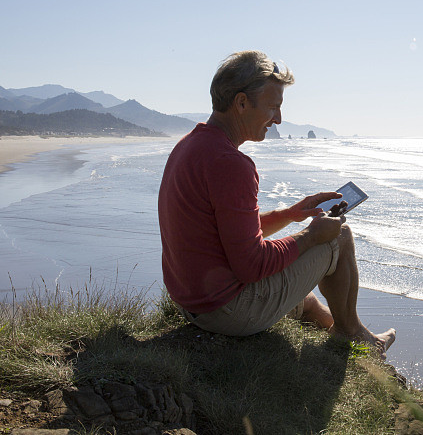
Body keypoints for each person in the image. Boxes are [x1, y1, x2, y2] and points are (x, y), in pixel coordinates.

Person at [158, 50, 395, 358]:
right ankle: (350, 334)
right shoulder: (231, 164)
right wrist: (310, 235)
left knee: (307, 301)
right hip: (225, 311)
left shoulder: (190, 145)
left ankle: (356, 338)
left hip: (192, 302)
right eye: (273, 107)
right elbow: (252, 265)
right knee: (339, 236)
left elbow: (227, 230)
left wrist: (290, 214)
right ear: (241, 103)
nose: (278, 119)